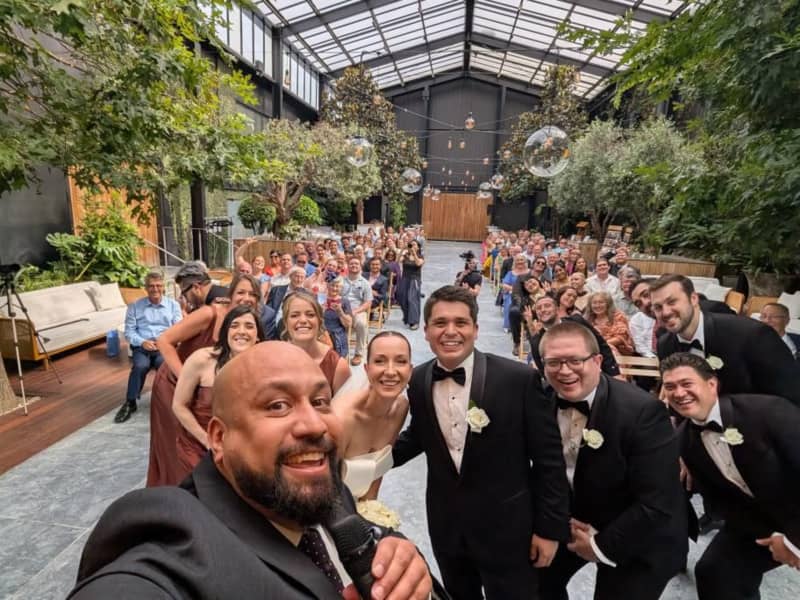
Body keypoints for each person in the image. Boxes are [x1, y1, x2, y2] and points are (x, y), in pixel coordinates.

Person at [68, 342, 434, 600]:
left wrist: (403, 560)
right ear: (219, 438)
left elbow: (366, 538)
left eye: (321, 401)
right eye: (277, 405)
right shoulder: (175, 542)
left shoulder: (323, 490)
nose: (314, 424)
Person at [393, 285, 570, 600]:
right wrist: (363, 464)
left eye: (460, 323)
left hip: (509, 530)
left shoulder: (517, 379)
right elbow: (418, 436)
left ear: (475, 329)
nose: (450, 331)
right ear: (426, 331)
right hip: (448, 527)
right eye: (440, 323)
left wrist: (549, 530)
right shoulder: (418, 379)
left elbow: (549, 461)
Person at [537, 322, 687, 600]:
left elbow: (657, 502)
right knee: (533, 583)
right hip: (574, 520)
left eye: (575, 360)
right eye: (554, 362)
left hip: (643, 534)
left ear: (597, 361)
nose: (565, 370)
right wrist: (553, 523)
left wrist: (598, 545)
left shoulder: (643, 412)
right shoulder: (538, 400)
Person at [660, 353, 800, 599]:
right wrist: (774, 536)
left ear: (712, 384)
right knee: (716, 572)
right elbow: (721, 503)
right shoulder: (684, 440)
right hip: (761, 523)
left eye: (686, 383)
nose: (678, 393)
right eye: (670, 387)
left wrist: (793, 540)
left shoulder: (768, 411)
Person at [148, 273, 261, 487]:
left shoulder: (248, 322)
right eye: (241, 292)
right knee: (174, 446)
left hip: (210, 385)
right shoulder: (210, 313)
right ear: (230, 294)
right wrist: (186, 379)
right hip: (176, 379)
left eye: (253, 294)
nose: (247, 298)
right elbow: (164, 340)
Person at [650, 274, 800, 406]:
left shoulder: (751, 334)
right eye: (658, 307)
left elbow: (788, 395)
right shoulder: (665, 345)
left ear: (694, 299)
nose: (665, 312)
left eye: (672, 302)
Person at [172, 305, 265, 481]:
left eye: (249, 326)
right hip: (199, 446)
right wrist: (207, 442)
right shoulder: (202, 359)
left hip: (241, 448)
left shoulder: (264, 367)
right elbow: (178, 405)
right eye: (235, 325)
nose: (241, 331)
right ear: (226, 332)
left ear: (258, 336)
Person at [334, 332, 412, 501]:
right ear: (366, 369)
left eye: (401, 361)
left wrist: (370, 511)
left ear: (410, 370)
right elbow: (323, 487)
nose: (390, 371)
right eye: (379, 361)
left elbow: (378, 468)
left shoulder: (401, 407)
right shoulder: (342, 418)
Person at [115, 272, 182, 424]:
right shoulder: (135, 307)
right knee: (140, 366)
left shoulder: (173, 305)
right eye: (151, 286)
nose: (155, 289)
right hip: (142, 346)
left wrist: (164, 341)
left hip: (164, 346)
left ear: (163, 287)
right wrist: (142, 342)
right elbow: (129, 331)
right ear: (146, 288)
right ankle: (130, 403)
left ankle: (171, 402)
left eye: (158, 285)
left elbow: (178, 328)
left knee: (164, 366)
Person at [529, 294, 621, 378]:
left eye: (547, 306)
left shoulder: (577, 321)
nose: (543, 310)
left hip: (592, 374)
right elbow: (544, 371)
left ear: (557, 309)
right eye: (539, 308)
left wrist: (614, 373)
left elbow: (600, 344)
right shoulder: (537, 341)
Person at [281, 290, 351, 394]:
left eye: (310, 315)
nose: (303, 320)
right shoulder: (276, 360)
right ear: (286, 322)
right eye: (295, 315)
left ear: (319, 320)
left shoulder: (337, 366)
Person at [584, 291, 635, 357]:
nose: (597, 305)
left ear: (608, 304)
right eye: (594, 303)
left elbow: (620, 337)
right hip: (593, 351)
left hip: (618, 351)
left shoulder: (618, 316)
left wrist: (602, 345)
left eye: (601, 302)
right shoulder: (587, 319)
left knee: (611, 350)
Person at [343, 257, 373, 366]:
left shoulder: (365, 283)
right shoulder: (341, 280)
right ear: (347, 266)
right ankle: (340, 351)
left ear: (360, 267)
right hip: (342, 310)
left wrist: (355, 311)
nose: (354, 265)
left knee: (361, 324)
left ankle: (358, 353)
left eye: (356, 264)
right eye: (351, 263)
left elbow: (368, 302)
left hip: (358, 310)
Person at [323, 277, 353, 361]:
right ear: (328, 285)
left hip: (337, 334)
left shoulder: (344, 301)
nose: (334, 288)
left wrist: (340, 312)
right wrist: (321, 311)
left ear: (341, 288)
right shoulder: (320, 298)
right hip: (321, 333)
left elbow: (348, 324)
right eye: (332, 285)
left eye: (337, 286)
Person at [398, 240, 424, 330]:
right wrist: (402, 250)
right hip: (405, 279)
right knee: (403, 298)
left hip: (414, 280)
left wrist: (414, 253)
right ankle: (407, 318)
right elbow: (397, 261)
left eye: (414, 245)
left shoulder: (420, 256)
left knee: (412, 299)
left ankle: (414, 321)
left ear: (418, 247)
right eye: (411, 245)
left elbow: (418, 263)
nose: (412, 246)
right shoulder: (406, 256)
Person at [502, 254, 530, 333]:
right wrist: (515, 289)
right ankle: (508, 325)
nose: (520, 262)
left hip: (527, 294)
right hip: (513, 294)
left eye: (521, 260)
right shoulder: (511, 273)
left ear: (525, 261)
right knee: (510, 303)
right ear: (515, 262)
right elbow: (505, 284)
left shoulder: (530, 272)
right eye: (518, 260)